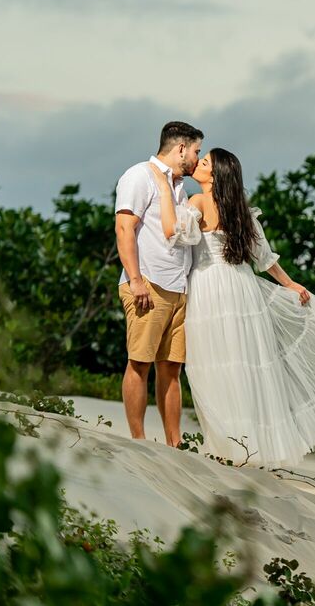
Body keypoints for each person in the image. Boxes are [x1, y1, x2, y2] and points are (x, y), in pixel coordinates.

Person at [151, 148, 315, 465]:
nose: (198, 165)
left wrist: (165, 191)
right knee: (244, 363)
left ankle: (228, 446)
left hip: (209, 287)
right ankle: (248, 447)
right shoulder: (240, 212)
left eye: (204, 163)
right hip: (241, 288)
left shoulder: (198, 201)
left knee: (213, 363)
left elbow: (179, 236)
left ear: (215, 176)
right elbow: (264, 259)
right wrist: (289, 283)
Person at [114, 121, 203, 447]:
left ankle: (173, 444)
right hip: (149, 285)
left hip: (178, 289)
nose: (197, 158)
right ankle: (138, 441)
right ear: (181, 148)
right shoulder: (139, 175)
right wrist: (136, 281)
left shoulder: (180, 188)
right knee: (139, 362)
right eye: (196, 151)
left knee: (171, 369)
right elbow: (124, 228)